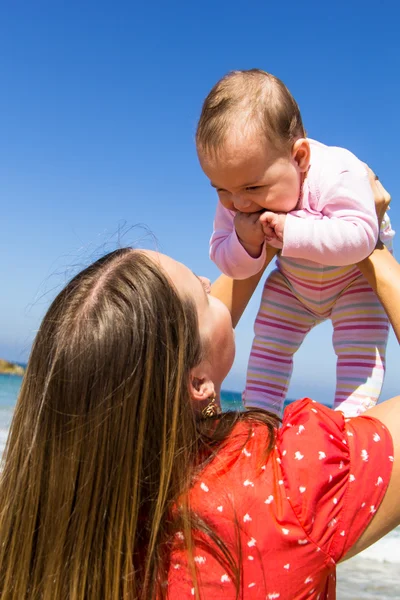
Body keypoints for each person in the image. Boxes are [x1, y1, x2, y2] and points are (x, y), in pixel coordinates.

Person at [0, 173, 399, 600]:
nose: (214, 284)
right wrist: (364, 240)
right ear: (196, 383)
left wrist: (257, 240)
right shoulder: (286, 487)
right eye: (202, 289)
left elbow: (185, 342)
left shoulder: (35, 529)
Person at [196, 69, 395, 418]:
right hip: (293, 284)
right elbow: (226, 260)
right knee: (269, 346)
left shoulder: (337, 172)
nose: (239, 203)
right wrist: (247, 242)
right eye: (221, 191)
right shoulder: (238, 188)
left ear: (299, 157)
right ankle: (260, 416)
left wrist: (293, 231)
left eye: (253, 189)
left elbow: (362, 237)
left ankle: (351, 419)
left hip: (353, 281)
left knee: (359, 350)